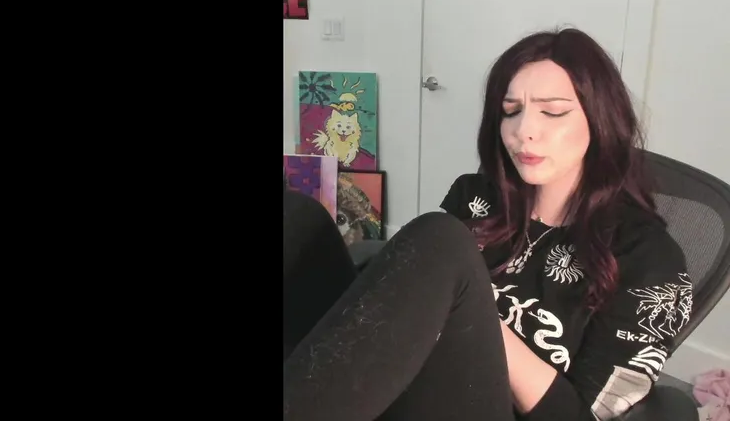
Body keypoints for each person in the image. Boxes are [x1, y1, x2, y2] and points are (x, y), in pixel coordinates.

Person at [283, 28, 691, 420]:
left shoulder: (650, 259)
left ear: (600, 120)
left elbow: (581, 416)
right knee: (297, 216)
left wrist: (470, 314)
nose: (524, 131)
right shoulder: (477, 198)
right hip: (404, 387)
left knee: (440, 241)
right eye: (511, 111)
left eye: (552, 112)